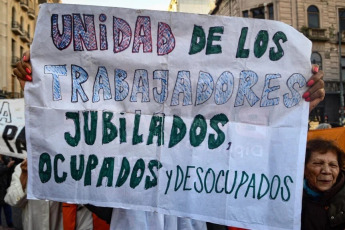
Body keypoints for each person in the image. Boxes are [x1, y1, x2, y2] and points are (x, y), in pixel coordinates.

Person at [12, 50, 326, 230]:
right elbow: (71, 150)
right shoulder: (117, 175)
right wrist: (41, 82)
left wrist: (295, 108)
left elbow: (259, 155)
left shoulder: (211, 169)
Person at [302, 139, 345, 230]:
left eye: (333, 165)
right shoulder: (288, 196)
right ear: (303, 168)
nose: (326, 171)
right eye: (318, 163)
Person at [0, 155, 15, 230]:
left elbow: (11, 171)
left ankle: (10, 224)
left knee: (7, 206)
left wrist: (11, 164)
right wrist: (7, 166)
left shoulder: (5, 157)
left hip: (5, 187)